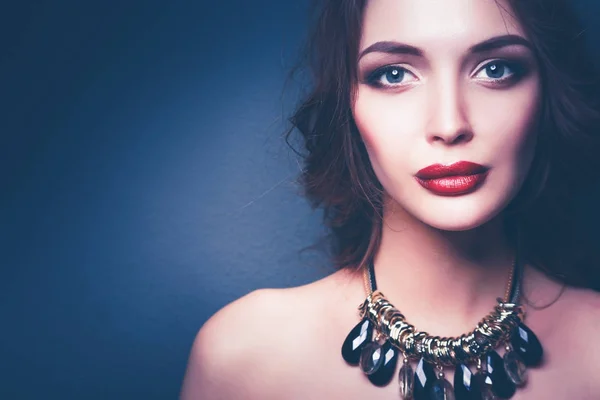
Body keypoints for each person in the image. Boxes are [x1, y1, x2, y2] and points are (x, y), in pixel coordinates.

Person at [181, 0, 600, 398]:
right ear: (347, 105)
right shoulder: (244, 357)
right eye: (395, 75)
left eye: (495, 69)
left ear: (547, 92)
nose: (450, 124)